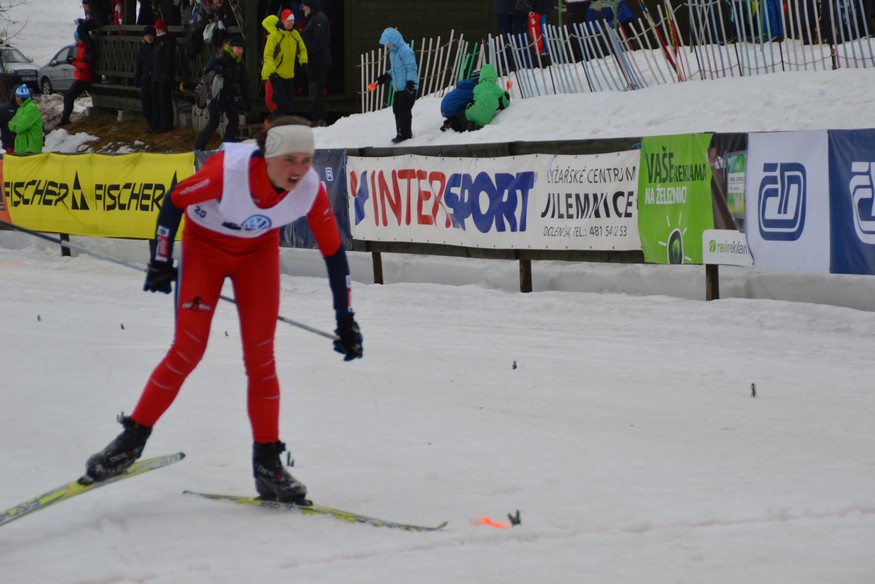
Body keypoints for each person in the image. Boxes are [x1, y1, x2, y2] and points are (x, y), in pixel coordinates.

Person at [83, 116, 363, 504]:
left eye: (305, 160)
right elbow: (174, 200)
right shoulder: (226, 173)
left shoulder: (309, 190)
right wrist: (161, 259)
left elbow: (334, 254)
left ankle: (268, 465)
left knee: (261, 358)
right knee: (188, 348)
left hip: (257, 256)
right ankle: (129, 443)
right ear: (267, 155)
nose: (298, 170)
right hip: (205, 250)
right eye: (289, 160)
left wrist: (345, 319)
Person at [194, 35, 250, 151]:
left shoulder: (240, 64)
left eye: (241, 48)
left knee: (234, 119)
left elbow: (243, 82)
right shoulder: (221, 58)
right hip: (216, 95)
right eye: (237, 47)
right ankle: (199, 147)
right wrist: (218, 70)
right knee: (214, 121)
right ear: (231, 47)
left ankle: (227, 143)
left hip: (228, 95)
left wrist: (247, 100)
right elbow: (207, 70)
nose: (239, 50)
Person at [372, 27, 418, 144]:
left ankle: (405, 135)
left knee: (403, 111)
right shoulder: (393, 53)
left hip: (408, 88)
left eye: (389, 43)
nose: (387, 46)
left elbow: (411, 67)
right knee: (396, 109)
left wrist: (410, 83)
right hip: (398, 88)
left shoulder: (405, 51)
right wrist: (386, 76)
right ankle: (401, 132)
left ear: (394, 40)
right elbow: (396, 70)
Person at [261, 9, 308, 117]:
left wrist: (303, 61)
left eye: (292, 20)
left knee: (288, 103)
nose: (291, 23)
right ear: (282, 21)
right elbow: (267, 55)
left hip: (289, 74)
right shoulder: (274, 36)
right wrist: (272, 71)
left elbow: (302, 49)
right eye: (288, 20)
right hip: (277, 74)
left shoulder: (295, 34)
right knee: (279, 103)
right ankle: (272, 122)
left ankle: (276, 122)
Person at [442, 64, 510, 133]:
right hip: (485, 120)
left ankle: (454, 124)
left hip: (451, 109)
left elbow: (475, 100)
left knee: (462, 115)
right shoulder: (498, 89)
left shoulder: (476, 88)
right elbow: (505, 103)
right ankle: (468, 126)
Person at [301, 0, 331, 127]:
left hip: (318, 62)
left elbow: (319, 41)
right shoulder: (314, 18)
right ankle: (317, 117)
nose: (302, 8)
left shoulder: (319, 19)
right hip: (314, 61)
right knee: (314, 91)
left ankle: (320, 119)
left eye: (304, 5)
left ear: (310, 5)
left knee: (316, 91)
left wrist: (310, 52)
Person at [58, 29, 95, 127]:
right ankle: (65, 119)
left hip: (84, 78)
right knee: (69, 96)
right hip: (81, 77)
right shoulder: (81, 48)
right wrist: (74, 61)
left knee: (68, 96)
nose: (76, 40)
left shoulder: (86, 49)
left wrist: (73, 62)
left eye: (77, 38)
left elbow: (86, 66)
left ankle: (65, 119)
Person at [152, 19, 177, 133]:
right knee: (158, 100)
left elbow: (168, 59)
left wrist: (166, 74)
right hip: (157, 74)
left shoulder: (167, 41)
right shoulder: (157, 40)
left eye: (159, 28)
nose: (157, 30)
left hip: (164, 75)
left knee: (165, 101)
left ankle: (166, 124)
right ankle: (159, 123)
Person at [135, 25, 157, 133]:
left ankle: (155, 124)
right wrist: (137, 78)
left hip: (154, 79)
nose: (149, 38)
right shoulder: (142, 48)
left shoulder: (156, 47)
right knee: (146, 103)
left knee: (154, 102)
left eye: (150, 35)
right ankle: (150, 124)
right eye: (147, 36)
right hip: (144, 79)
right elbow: (138, 65)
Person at [8, 86, 43, 154]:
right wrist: (16, 124)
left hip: (30, 148)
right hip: (21, 147)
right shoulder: (21, 109)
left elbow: (20, 127)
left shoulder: (31, 108)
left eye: (16, 96)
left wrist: (15, 124)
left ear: (20, 97)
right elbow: (10, 125)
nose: (15, 98)